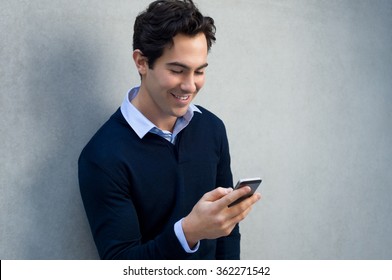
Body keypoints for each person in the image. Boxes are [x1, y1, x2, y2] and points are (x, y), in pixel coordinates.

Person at [78, 0, 261, 260]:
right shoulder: (102, 156)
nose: (190, 86)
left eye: (199, 71)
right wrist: (187, 233)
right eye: (177, 70)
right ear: (141, 62)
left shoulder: (212, 129)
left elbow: (227, 231)